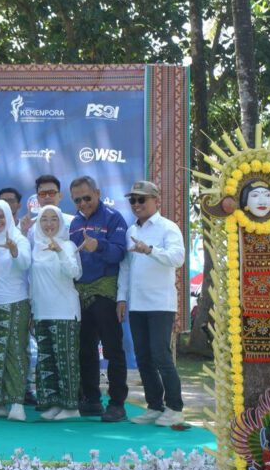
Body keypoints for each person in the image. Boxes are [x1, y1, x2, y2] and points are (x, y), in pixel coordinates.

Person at [117, 181, 187, 427]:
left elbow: (178, 258)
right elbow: (126, 267)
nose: (136, 204)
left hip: (160, 303)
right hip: (137, 304)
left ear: (156, 200)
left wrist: (150, 251)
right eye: (132, 200)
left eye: (141, 199)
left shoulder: (168, 227)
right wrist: (121, 297)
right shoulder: (130, 230)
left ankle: (175, 408)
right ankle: (155, 406)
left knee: (161, 355)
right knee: (143, 357)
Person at [68, 176, 129, 422]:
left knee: (113, 349)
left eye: (87, 198)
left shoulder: (113, 218)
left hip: (104, 291)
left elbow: (119, 254)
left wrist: (99, 246)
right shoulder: (73, 223)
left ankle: (117, 403)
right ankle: (91, 399)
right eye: (77, 200)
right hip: (79, 293)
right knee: (85, 349)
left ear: (98, 193)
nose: (83, 203)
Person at [0, 200, 32, 421]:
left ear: (9, 217)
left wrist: (14, 251)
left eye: (1, 216)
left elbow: (25, 264)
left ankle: (17, 403)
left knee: (15, 352)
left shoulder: (18, 238)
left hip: (16, 301)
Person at [30, 206, 83, 420]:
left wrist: (60, 251)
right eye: (44, 219)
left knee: (66, 361)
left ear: (61, 223)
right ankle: (52, 403)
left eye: (54, 219)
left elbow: (75, 273)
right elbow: (33, 282)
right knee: (46, 361)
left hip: (65, 312)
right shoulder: (35, 248)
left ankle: (71, 407)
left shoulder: (68, 245)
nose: (49, 224)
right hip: (42, 311)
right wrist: (32, 311)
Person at [20, 175, 73, 242]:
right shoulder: (29, 227)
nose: (47, 197)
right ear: (37, 199)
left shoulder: (72, 222)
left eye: (51, 193)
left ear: (60, 196)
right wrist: (24, 232)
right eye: (42, 194)